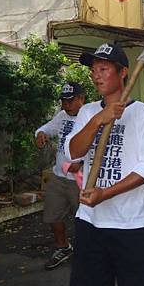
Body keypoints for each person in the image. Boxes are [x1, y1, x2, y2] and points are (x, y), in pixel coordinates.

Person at [64, 43, 144, 286]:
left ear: (123, 73)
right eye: (93, 70)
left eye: (104, 69)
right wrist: (99, 119)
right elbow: (74, 152)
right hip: (90, 221)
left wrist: (104, 194)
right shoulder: (87, 112)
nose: (96, 75)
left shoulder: (142, 113)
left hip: (131, 223)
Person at [35, 82, 86, 270]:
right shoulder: (62, 116)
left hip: (81, 179)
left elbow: (100, 146)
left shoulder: (91, 116)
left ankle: (90, 253)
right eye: (64, 101)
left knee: (85, 219)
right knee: (52, 214)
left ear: (82, 98)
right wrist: (41, 133)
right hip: (59, 176)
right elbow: (47, 128)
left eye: (71, 101)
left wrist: (81, 163)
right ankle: (63, 247)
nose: (66, 105)